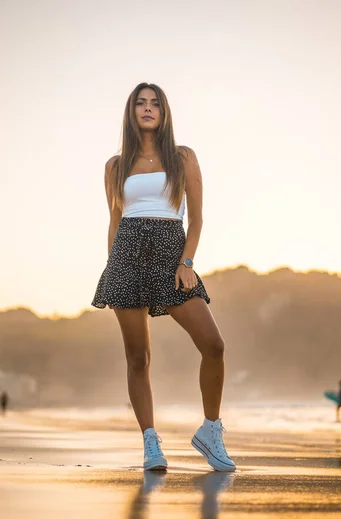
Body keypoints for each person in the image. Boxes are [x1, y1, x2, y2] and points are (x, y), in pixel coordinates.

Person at [91, 82, 235, 472]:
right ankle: (150, 443)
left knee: (214, 345)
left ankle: (210, 429)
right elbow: (115, 220)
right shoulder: (115, 166)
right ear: (131, 112)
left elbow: (198, 218)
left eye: (155, 103)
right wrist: (112, 271)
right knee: (138, 358)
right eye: (141, 103)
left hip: (172, 254)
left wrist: (186, 263)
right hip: (127, 257)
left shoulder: (183, 157)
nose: (148, 108)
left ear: (165, 111)